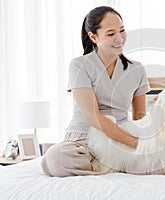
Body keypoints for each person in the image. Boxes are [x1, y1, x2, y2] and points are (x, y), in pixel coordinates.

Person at [41, 6, 150, 177]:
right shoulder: (79, 65)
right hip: (83, 141)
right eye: (111, 33)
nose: (119, 38)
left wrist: (151, 142)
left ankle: (112, 164)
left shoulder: (137, 69)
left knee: (158, 159)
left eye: (122, 31)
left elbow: (140, 117)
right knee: (55, 159)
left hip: (120, 142)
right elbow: (92, 117)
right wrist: (136, 143)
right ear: (93, 37)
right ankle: (112, 165)